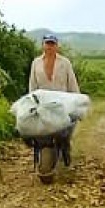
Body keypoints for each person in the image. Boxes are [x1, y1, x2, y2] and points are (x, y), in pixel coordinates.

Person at [27, 34, 80, 166]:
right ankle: (39, 156)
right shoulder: (36, 63)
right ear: (43, 45)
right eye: (47, 44)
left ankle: (65, 152)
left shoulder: (65, 63)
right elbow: (32, 86)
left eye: (52, 44)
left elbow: (72, 83)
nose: (50, 47)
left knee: (65, 133)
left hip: (61, 104)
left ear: (57, 46)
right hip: (43, 104)